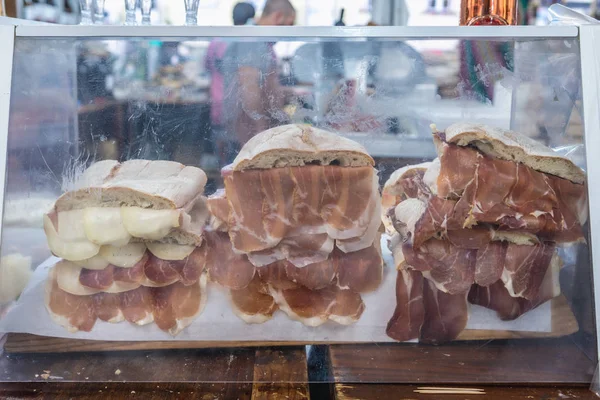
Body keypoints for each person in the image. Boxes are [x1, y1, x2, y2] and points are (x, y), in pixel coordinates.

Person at [221, 0, 296, 151]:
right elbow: (249, 87)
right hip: (250, 133)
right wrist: (260, 127)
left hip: (255, 132)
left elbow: (265, 83)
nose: (288, 31)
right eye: (289, 24)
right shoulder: (252, 40)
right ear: (278, 17)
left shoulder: (259, 40)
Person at [205, 2, 256, 166]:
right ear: (252, 19)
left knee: (223, 158)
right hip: (240, 109)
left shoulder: (216, 41)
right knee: (242, 159)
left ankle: (221, 188)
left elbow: (207, 67)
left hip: (218, 106)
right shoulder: (251, 42)